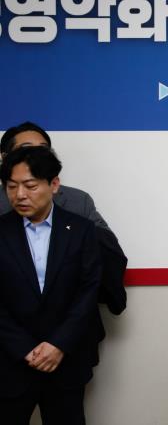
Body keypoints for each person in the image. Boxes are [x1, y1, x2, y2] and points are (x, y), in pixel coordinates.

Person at [0, 146, 102, 424]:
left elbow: (88, 292)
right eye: (12, 186)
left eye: (30, 186)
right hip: (10, 362)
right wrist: (24, 348)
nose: (20, 195)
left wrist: (58, 343)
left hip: (66, 362)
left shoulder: (81, 230)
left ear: (53, 184)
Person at [0, 122, 126, 315]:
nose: (36, 157)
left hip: (73, 317)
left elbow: (107, 248)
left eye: (43, 150)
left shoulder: (78, 201)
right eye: (26, 150)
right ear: (5, 158)